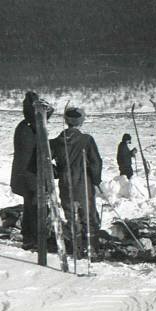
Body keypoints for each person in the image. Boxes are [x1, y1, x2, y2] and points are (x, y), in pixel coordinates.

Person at [50, 107, 103, 257]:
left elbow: (46, 161)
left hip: (66, 184)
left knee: (71, 217)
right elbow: (95, 163)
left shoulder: (56, 141)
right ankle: (91, 250)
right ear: (80, 122)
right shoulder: (86, 140)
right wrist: (96, 179)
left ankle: (76, 249)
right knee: (88, 216)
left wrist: (57, 172)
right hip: (83, 184)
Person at [9, 91, 52, 250]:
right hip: (30, 176)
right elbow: (32, 157)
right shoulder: (30, 129)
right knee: (35, 209)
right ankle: (34, 240)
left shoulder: (26, 125)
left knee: (30, 208)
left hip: (27, 176)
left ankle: (30, 239)